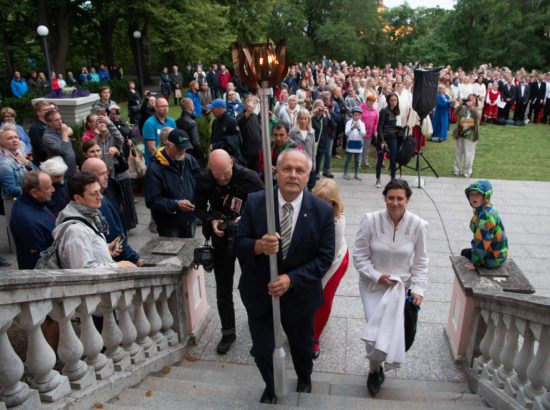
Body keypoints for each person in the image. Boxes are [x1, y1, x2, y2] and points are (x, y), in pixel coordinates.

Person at [235, 149, 335, 404]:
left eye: (300, 170)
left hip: (300, 295)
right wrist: (258, 246)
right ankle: (272, 384)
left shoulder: (323, 211)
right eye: (287, 169)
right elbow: (238, 244)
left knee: (302, 346)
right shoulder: (256, 202)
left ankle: (304, 377)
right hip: (261, 291)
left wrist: (291, 279)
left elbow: (325, 258)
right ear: (275, 171)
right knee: (262, 349)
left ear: (308, 175)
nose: (293, 175)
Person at [353, 179, 428, 396]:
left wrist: (418, 289)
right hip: (372, 285)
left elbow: (421, 261)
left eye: (400, 198)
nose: (395, 203)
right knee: (374, 328)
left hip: (400, 287)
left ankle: (381, 366)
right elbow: (360, 256)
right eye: (391, 198)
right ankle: (374, 370)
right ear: (385, 198)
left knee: (393, 330)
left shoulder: (418, 225)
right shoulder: (370, 220)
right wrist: (377, 276)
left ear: (408, 200)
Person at [194, 149, 264, 354]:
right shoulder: (204, 179)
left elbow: (265, 205)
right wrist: (212, 220)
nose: (223, 178)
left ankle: (259, 327)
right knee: (223, 289)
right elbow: (198, 209)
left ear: (232, 164)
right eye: (218, 175)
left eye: (226, 173)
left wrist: (245, 219)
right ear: (211, 170)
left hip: (246, 238)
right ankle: (228, 332)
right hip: (220, 239)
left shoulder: (249, 177)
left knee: (252, 285)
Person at [54, 173, 136, 269]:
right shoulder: (76, 231)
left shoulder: (86, 214)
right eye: (94, 193)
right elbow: (83, 270)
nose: (100, 197)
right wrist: (117, 266)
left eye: (99, 191)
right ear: (78, 198)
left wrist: (104, 249)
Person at [310, 178, 348, 359]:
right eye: (320, 199)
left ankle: (315, 337)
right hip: (318, 257)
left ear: (334, 201)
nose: (323, 204)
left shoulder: (337, 221)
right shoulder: (310, 209)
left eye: (328, 201)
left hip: (334, 262)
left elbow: (330, 256)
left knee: (323, 299)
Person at [81, 158, 142, 266]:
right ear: (89, 177)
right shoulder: (99, 203)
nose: (106, 177)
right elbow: (114, 235)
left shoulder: (109, 189)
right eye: (102, 174)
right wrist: (133, 258)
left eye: (107, 172)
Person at [145, 129, 200, 238]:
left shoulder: (189, 160)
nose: (182, 152)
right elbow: (152, 201)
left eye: (184, 148)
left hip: (190, 219)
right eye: (179, 149)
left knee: (188, 250)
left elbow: (199, 183)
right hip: (169, 224)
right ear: (169, 145)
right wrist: (175, 204)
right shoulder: (155, 168)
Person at [10, 170, 56, 269]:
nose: (53, 190)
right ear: (34, 192)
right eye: (48, 188)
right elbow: (38, 261)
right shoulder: (30, 223)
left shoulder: (35, 202)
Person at [461, 180, 508, 270]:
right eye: (471, 194)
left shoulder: (485, 216)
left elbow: (483, 241)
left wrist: (475, 264)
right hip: (499, 253)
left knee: (464, 253)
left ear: (485, 196)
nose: (474, 197)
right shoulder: (486, 208)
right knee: (468, 252)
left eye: (478, 194)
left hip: (493, 258)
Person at [208, 99, 246, 166]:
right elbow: (213, 137)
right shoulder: (215, 122)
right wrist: (211, 144)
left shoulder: (231, 121)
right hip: (218, 156)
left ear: (219, 109)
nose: (212, 111)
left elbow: (238, 140)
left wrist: (216, 145)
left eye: (213, 108)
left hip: (230, 157)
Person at [453, 94, 481, 178]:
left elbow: (478, 116)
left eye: (473, 99)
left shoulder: (477, 108)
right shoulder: (464, 108)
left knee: (469, 153)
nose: (471, 100)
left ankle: (467, 171)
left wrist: (471, 108)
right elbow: (456, 113)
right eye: (469, 98)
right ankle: (457, 169)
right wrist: (461, 105)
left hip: (471, 134)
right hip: (461, 133)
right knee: (458, 152)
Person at [375, 93, 400, 188]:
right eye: (392, 100)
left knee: (393, 160)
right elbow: (379, 127)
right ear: (388, 101)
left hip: (392, 138)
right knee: (380, 159)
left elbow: (392, 125)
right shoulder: (384, 111)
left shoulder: (395, 111)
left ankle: (393, 179)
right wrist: (382, 141)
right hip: (383, 138)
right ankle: (378, 179)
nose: (393, 102)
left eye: (395, 100)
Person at [42, 110, 77, 178]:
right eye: (56, 120)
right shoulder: (48, 137)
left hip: (72, 170)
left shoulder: (61, 129)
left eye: (60, 118)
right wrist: (64, 134)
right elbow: (64, 151)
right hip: (62, 175)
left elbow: (71, 130)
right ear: (49, 123)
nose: (60, 122)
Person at [142, 98, 177, 165]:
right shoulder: (149, 123)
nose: (165, 108)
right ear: (155, 108)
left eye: (166, 106)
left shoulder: (171, 122)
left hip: (170, 160)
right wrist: (165, 160)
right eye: (162, 106)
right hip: (155, 162)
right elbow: (152, 149)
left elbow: (175, 141)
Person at [289, 110, 316, 190]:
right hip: (297, 160)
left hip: (308, 160)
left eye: (305, 119)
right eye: (301, 119)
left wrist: (314, 163)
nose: (303, 121)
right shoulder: (293, 131)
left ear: (308, 120)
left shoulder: (311, 132)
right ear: (298, 119)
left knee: (305, 180)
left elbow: (313, 149)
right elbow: (290, 146)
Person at [176, 98, 206, 165]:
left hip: (181, 152)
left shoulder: (177, 121)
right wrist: (201, 153)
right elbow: (196, 142)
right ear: (191, 108)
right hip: (192, 155)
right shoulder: (192, 123)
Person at [312, 99, 336, 180]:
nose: (321, 109)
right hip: (313, 142)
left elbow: (334, 126)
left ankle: (317, 172)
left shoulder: (325, 118)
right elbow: (306, 124)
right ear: (315, 107)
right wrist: (313, 113)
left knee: (319, 158)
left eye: (322, 107)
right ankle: (312, 172)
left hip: (322, 142)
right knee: (312, 158)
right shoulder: (312, 117)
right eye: (319, 107)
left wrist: (328, 114)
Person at [237, 96, 262, 173]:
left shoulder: (255, 116)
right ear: (244, 104)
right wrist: (247, 113)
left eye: (253, 103)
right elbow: (238, 123)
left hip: (257, 151)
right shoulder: (241, 115)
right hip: (247, 152)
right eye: (249, 102)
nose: (251, 105)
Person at [343, 106, 366, 180]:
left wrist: (359, 129)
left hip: (358, 144)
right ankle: (345, 172)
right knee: (348, 159)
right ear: (352, 115)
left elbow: (364, 134)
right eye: (355, 115)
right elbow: (346, 133)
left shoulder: (362, 124)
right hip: (351, 143)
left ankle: (356, 173)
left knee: (357, 160)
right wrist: (352, 128)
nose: (356, 117)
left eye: (358, 115)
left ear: (360, 116)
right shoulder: (349, 123)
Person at [28, 101, 51, 166]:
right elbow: (41, 149)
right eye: (46, 110)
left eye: (49, 109)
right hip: (46, 162)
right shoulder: (35, 128)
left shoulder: (52, 122)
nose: (49, 111)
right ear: (38, 112)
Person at [358, 95, 378, 168]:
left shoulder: (375, 111)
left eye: (372, 101)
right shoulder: (361, 108)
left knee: (366, 148)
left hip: (370, 133)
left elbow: (376, 122)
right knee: (360, 147)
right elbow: (357, 118)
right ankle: (358, 163)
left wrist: (375, 132)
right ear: (367, 101)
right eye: (370, 101)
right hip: (361, 132)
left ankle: (365, 161)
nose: (371, 102)